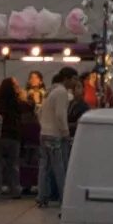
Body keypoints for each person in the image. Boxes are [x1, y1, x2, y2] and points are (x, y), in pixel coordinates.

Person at [38, 68, 76, 208]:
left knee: (44, 167)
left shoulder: (51, 91)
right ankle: (64, 197)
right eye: (74, 78)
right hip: (55, 135)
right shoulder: (62, 93)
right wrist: (65, 132)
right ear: (66, 78)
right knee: (60, 167)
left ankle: (42, 196)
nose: (75, 82)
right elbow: (60, 115)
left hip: (44, 133)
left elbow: (40, 112)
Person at [0, 77, 29, 197]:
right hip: (13, 136)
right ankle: (15, 191)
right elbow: (29, 108)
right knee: (13, 165)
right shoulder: (17, 101)